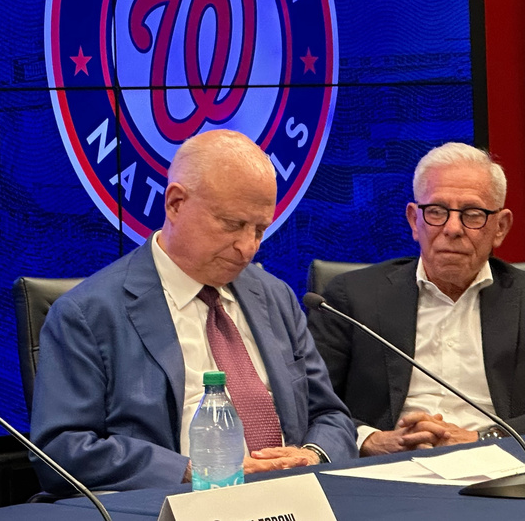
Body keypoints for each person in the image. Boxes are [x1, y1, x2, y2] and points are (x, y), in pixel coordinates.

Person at [30, 129, 356, 493]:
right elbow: (62, 450)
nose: (248, 247)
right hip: (173, 504)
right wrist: (193, 471)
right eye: (232, 225)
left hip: (292, 499)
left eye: (260, 229)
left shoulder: (274, 296)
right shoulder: (88, 313)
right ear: (175, 203)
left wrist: (312, 456)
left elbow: (330, 415)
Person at [308, 142, 522, 456]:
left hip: (500, 462)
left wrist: (485, 439)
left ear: (500, 227)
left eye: (472, 214)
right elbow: (310, 401)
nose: (452, 229)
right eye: (436, 211)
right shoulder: (350, 298)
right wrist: (370, 440)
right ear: (414, 220)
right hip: (388, 467)